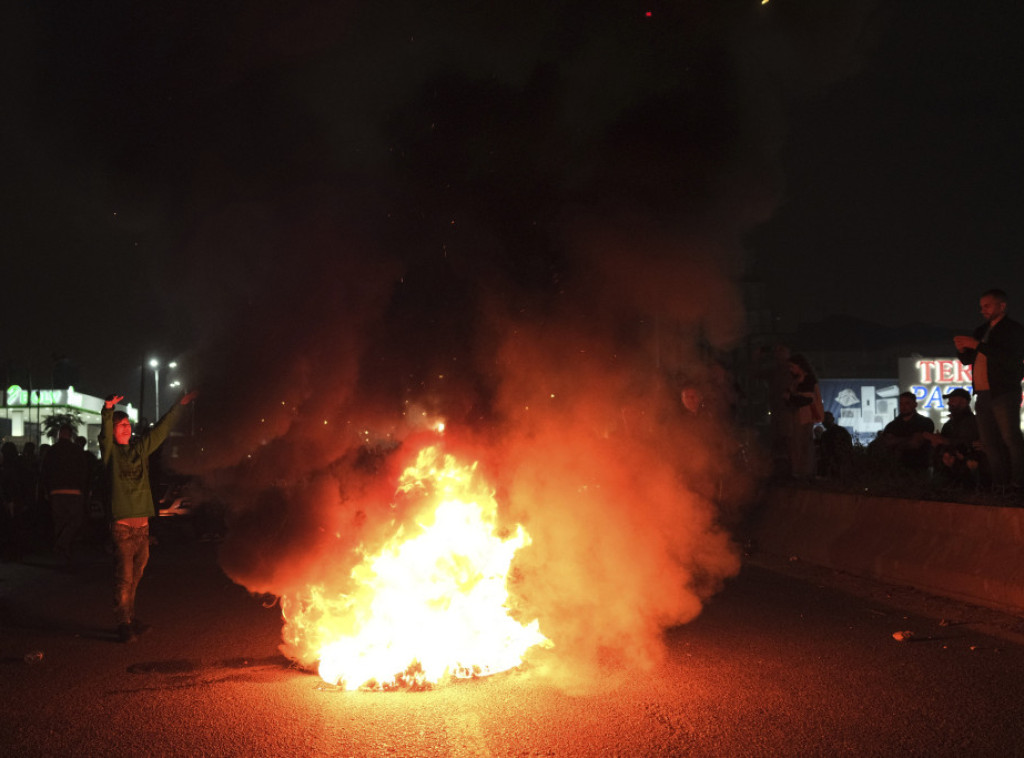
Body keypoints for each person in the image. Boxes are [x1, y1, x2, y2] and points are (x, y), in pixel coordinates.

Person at [100, 390, 197, 642]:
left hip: (142, 527)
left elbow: (160, 430)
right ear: (111, 430)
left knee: (135, 578)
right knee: (124, 579)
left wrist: (179, 405)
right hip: (122, 527)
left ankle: (130, 617)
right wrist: (108, 409)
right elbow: (104, 435)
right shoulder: (110, 454)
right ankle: (122, 624)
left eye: (127, 424)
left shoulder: (139, 450)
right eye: (120, 425)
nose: (126, 428)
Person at [954, 288, 1024, 490]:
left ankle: (1018, 483)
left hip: (1004, 391)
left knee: (1011, 438)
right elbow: (970, 360)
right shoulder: (981, 330)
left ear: (1002, 306)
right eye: (981, 306)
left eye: (987, 305)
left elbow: (1009, 359)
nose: (982, 310)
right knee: (989, 442)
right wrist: (961, 350)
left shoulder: (1013, 330)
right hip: (983, 393)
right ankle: (1000, 485)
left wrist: (977, 345)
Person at [41, 424, 91, 563]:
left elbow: (45, 471)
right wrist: (84, 490)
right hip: (74, 491)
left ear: (59, 434)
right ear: (70, 435)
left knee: (60, 521)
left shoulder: (52, 451)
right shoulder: (76, 450)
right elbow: (84, 471)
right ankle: (63, 546)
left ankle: (61, 550)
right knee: (75, 520)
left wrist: (46, 489)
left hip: (56, 491)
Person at [923, 388, 986, 489]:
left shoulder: (973, 422)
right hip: (949, 471)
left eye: (953, 400)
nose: (949, 403)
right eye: (949, 400)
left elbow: (969, 443)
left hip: (967, 471)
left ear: (964, 402)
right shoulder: (949, 424)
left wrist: (943, 441)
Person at [783, 353, 822, 479]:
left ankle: (804, 471)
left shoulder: (808, 380)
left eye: (792, 366)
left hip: (805, 416)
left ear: (799, 366)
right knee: (797, 443)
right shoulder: (796, 380)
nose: (790, 369)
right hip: (798, 416)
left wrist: (791, 397)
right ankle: (801, 470)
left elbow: (806, 399)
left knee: (802, 443)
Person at [878, 392, 935, 475]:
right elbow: (887, 443)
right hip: (897, 470)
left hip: (919, 469)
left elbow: (916, 443)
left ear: (915, 404)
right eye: (901, 403)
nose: (903, 407)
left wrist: (896, 441)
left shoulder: (925, 422)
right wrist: (910, 439)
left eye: (907, 403)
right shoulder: (892, 425)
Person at [818, 412, 853, 480]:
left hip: (838, 461)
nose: (824, 421)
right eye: (824, 419)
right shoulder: (840, 431)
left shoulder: (838, 432)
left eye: (826, 419)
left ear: (832, 419)